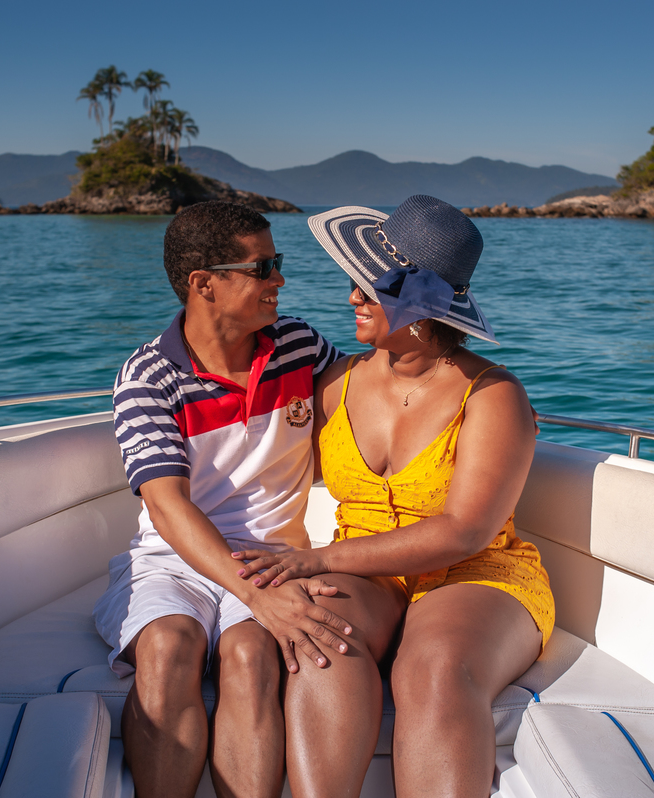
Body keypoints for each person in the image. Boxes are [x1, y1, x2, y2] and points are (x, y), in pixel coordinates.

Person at [233, 195, 555, 797]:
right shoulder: (333, 381)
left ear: (418, 305)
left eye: (365, 287)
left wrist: (317, 559)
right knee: (319, 637)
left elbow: (465, 531)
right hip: (369, 568)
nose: (350, 298)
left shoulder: (492, 396)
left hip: (478, 573)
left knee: (433, 670)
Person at [92, 201, 353, 798]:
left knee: (251, 658)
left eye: (276, 263)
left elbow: (370, 402)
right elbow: (167, 507)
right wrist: (259, 596)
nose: (280, 280)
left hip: (270, 557)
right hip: (172, 561)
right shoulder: (148, 375)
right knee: (166, 648)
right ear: (204, 283)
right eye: (263, 267)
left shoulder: (299, 346)